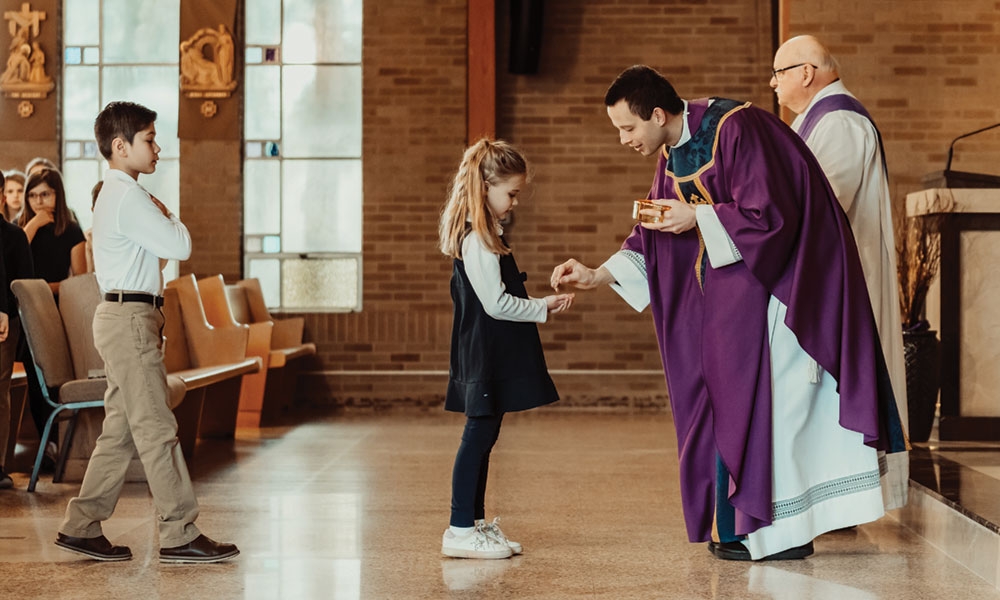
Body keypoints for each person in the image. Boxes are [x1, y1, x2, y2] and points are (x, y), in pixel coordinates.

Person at [550, 65, 907, 561]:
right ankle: (740, 528)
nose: (623, 140)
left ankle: (783, 534)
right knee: (723, 404)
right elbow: (651, 232)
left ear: (657, 114)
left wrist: (698, 216)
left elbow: (773, 215)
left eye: (628, 128)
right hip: (731, 302)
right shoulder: (673, 154)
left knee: (777, 413)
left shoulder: (737, 127)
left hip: (784, 292)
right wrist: (597, 276)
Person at [55, 101, 238, 564]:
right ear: (121, 146)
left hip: (128, 318)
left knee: (120, 430)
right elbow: (179, 245)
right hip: (129, 321)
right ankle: (180, 532)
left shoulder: (118, 195)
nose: (158, 148)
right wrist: (168, 214)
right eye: (150, 139)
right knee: (157, 427)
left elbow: (154, 259)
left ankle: (81, 525)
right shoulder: (128, 195)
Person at [771, 35, 909, 510]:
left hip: (841, 282)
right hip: (825, 277)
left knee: (835, 388)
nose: (773, 84)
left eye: (779, 73)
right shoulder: (817, 121)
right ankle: (830, 501)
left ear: (806, 73)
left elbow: (823, 207)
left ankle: (840, 501)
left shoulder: (840, 121)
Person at [438, 138, 573, 560]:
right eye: (510, 193)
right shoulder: (476, 239)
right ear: (485, 188)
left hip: (490, 352)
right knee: (477, 436)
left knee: (485, 435)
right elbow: (495, 304)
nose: (514, 202)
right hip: (483, 353)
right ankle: (459, 528)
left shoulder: (488, 234)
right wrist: (542, 307)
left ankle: (474, 525)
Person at [18, 167, 87, 462]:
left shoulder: (70, 229)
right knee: (36, 382)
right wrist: (32, 225)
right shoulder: (21, 228)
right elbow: (12, 261)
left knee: (56, 380)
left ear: (57, 194)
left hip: (57, 313)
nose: (39, 201)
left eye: (45, 194)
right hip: (26, 315)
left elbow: (80, 278)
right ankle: (47, 446)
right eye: (32, 195)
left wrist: (44, 288)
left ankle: (62, 443)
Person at [0, 170, 34, 490]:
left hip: (4, 325)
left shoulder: (13, 236)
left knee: (0, 392)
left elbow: (23, 286)